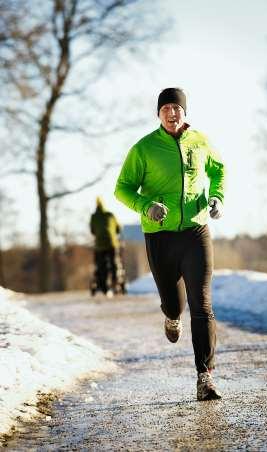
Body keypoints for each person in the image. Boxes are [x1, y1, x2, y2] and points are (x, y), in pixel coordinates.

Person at [114, 88, 225, 400]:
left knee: (202, 305)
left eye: (177, 107)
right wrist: (145, 205)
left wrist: (217, 197)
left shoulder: (201, 141)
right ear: (159, 114)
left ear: (184, 112)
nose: (172, 113)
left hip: (195, 231)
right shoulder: (144, 148)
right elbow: (122, 189)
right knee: (175, 304)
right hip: (160, 236)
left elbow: (219, 172)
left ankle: (205, 376)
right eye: (166, 108)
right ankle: (171, 316)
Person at [90, 197, 123, 297]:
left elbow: (92, 231)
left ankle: (103, 286)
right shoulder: (110, 215)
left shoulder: (94, 216)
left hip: (99, 245)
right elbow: (118, 228)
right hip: (112, 243)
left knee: (101, 265)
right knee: (114, 263)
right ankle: (116, 282)